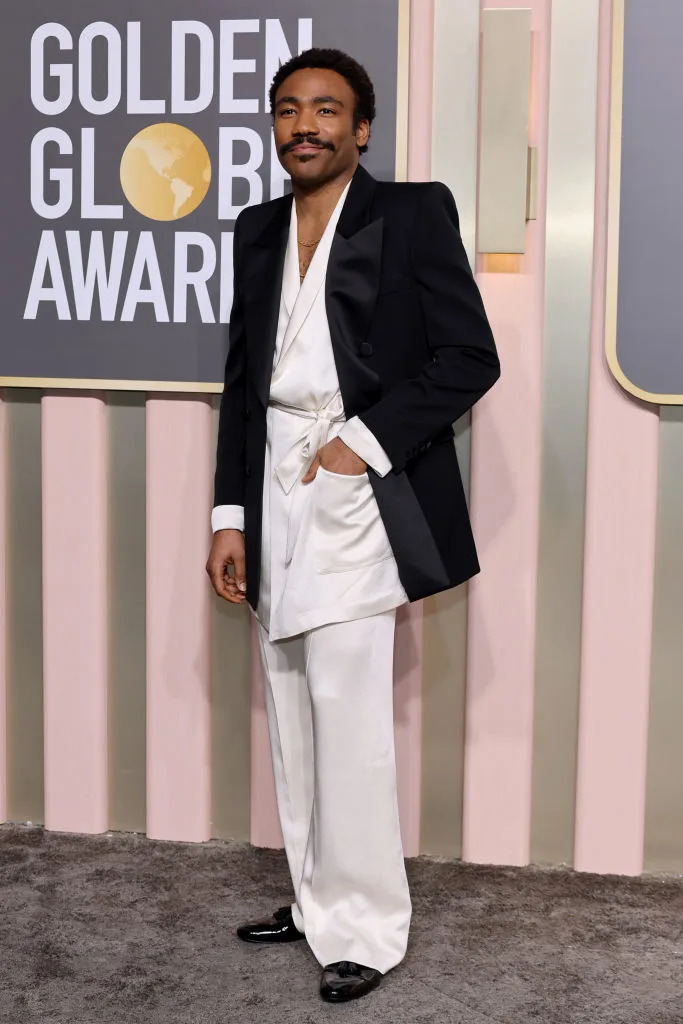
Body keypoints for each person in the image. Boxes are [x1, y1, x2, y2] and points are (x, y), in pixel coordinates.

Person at [206, 47, 500, 1004]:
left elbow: (468, 356)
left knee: (348, 711)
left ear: (360, 127)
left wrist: (361, 444)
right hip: (271, 482)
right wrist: (229, 515)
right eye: (289, 109)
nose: (306, 125)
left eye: (327, 110)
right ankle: (315, 895)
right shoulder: (255, 229)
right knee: (291, 707)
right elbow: (242, 387)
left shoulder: (412, 212)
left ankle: (367, 928)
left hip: (362, 490)